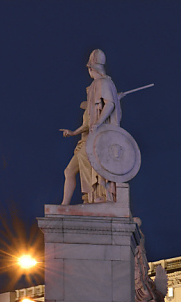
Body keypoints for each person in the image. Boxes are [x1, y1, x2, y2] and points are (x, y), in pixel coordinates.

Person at [59, 49, 121, 204]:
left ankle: (93, 197)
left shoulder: (102, 83)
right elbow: (87, 124)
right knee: (69, 171)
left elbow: (110, 104)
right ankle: (65, 206)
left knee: (82, 164)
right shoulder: (98, 87)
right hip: (88, 139)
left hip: (96, 140)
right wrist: (73, 133)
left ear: (92, 69)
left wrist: (98, 123)